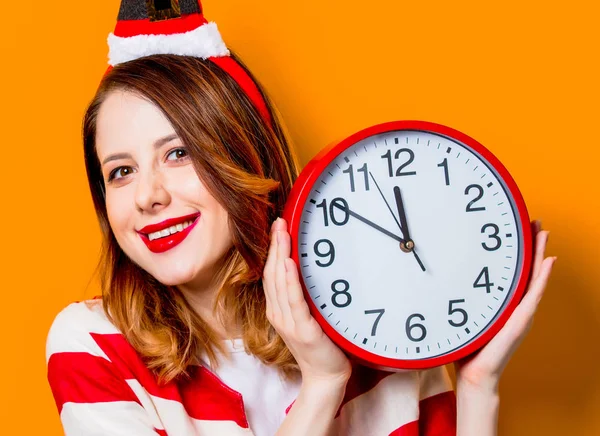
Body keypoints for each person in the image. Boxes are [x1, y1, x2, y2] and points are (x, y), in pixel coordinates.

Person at [46, 1, 556, 435]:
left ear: (246, 158)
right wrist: (321, 386)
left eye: (178, 154)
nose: (146, 196)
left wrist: (476, 388)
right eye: (120, 171)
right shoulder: (91, 347)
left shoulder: (381, 330)